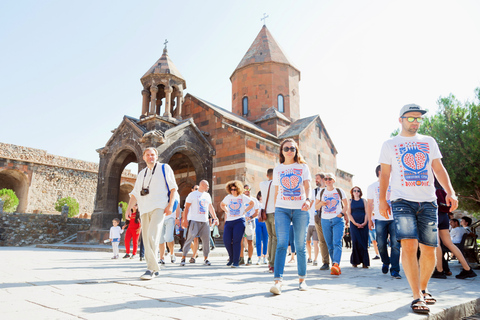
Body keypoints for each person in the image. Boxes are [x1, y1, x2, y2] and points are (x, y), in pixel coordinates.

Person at [379, 104, 459, 314]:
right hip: (401, 201)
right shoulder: (390, 144)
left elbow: (439, 169)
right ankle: (416, 296)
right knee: (409, 246)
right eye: (411, 118)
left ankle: (423, 289)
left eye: (418, 119)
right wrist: (381, 200)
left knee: (430, 250)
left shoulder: (429, 141)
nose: (415, 122)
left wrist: (450, 191)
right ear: (401, 120)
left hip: (428, 202)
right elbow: (385, 175)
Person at [127, 147, 178, 280]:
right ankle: (155, 269)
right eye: (148, 155)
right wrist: (128, 209)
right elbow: (135, 194)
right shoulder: (141, 173)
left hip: (159, 207)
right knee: (146, 238)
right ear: (143, 157)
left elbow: (173, 188)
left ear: (156, 156)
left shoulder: (164, 168)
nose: (150, 157)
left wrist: (170, 205)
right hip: (144, 209)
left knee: (152, 236)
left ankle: (150, 269)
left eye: (153, 155)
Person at [270, 138, 312, 295]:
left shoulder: (302, 167)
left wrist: (308, 200)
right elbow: (276, 191)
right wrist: (275, 211)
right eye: (286, 148)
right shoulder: (278, 169)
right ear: (281, 151)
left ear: (296, 151)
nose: (289, 151)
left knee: (300, 245)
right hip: (282, 209)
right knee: (281, 243)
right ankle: (278, 281)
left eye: (292, 148)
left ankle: (302, 279)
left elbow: (307, 186)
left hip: (300, 209)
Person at [432, 181, 476, 280]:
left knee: (436, 243)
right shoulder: (443, 185)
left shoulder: (429, 183)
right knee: (449, 243)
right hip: (444, 215)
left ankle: (439, 271)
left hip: (435, 214)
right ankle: (467, 269)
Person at [367, 165, 401, 279]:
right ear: (380, 172)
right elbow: (369, 205)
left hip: (394, 219)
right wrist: (369, 220)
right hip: (380, 219)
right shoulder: (372, 187)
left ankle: (395, 269)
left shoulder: (395, 184)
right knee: (381, 244)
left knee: (396, 244)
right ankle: (386, 261)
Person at [315, 173, 348, 276]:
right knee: (329, 244)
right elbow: (316, 207)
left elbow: (347, 204)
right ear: (324, 181)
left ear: (334, 180)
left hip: (337, 220)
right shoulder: (321, 192)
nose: (328, 180)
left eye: (330, 179)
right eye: (326, 179)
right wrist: (321, 204)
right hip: (325, 220)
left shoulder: (339, 191)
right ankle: (335, 266)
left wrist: (342, 213)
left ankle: (336, 264)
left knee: (337, 242)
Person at [180, 180, 219, 266]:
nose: (208, 187)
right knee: (189, 239)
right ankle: (183, 258)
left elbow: (210, 207)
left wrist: (215, 217)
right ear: (202, 185)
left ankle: (206, 258)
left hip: (204, 221)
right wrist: (184, 219)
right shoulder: (192, 195)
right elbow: (186, 208)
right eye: (207, 186)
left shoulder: (207, 195)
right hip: (194, 220)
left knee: (206, 240)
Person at [221, 180, 254, 268]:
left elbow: (252, 203)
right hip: (229, 221)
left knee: (237, 241)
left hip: (239, 221)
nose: (233, 191)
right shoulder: (228, 197)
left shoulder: (242, 197)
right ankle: (231, 258)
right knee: (226, 240)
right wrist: (227, 211)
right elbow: (222, 204)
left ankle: (236, 261)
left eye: (235, 189)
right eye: (231, 189)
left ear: (238, 189)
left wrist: (245, 211)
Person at [347, 186, 370, 268]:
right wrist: (355, 223)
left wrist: (364, 222)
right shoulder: (350, 201)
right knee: (355, 242)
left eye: (358, 191)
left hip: (364, 222)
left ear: (360, 192)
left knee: (363, 242)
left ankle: (365, 262)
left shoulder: (364, 201)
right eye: (354, 191)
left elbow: (367, 212)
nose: (356, 192)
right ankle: (355, 261)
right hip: (354, 224)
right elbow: (349, 213)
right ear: (352, 192)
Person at [260, 168, 276, 273]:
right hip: (275, 212)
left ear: (267, 175)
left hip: (265, 213)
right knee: (275, 238)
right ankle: (273, 264)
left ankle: (270, 262)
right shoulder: (276, 184)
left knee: (270, 237)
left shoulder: (262, 184)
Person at [313, 173, 330, 270]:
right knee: (322, 241)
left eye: (318, 179)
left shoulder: (331, 189)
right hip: (319, 217)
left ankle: (335, 261)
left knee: (330, 240)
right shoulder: (314, 191)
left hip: (330, 216)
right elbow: (312, 205)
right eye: (315, 179)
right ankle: (326, 262)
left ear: (323, 179)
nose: (316, 181)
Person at [240, 184, 258, 265]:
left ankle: (250, 258)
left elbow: (257, 212)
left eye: (248, 189)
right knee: (240, 240)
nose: (247, 190)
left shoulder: (254, 200)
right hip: (241, 221)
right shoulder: (241, 199)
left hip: (250, 222)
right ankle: (241, 258)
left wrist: (250, 217)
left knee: (250, 241)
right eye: (245, 189)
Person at [306, 188, 319, 265]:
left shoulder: (317, 204)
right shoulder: (307, 202)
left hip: (315, 224)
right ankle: (310, 257)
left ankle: (315, 259)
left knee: (315, 242)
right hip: (308, 224)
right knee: (307, 242)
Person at [255, 191, 269, 265]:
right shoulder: (256, 202)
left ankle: (265, 257)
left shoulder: (267, 203)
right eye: (260, 195)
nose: (261, 197)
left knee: (265, 240)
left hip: (265, 222)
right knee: (258, 240)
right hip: (258, 221)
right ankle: (259, 257)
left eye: (262, 195)